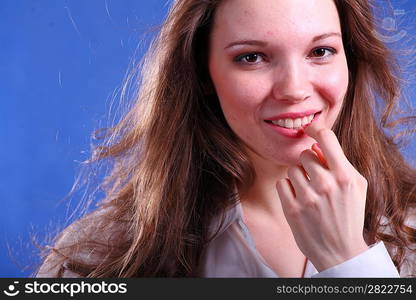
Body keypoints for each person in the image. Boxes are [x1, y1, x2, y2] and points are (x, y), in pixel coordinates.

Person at [36, 0, 416, 278]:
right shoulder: (100, 254)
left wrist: (349, 259)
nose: (294, 90)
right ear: (204, 74)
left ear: (350, 60)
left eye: (321, 51)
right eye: (252, 57)